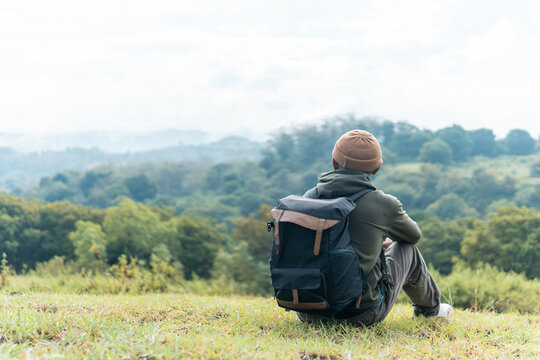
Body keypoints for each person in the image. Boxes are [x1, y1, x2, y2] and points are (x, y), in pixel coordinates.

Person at [297, 129, 453, 325]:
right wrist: (378, 241)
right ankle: (430, 310)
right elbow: (413, 235)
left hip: (308, 311)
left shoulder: (309, 198)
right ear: (377, 168)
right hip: (360, 314)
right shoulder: (383, 203)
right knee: (407, 249)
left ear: (334, 162)